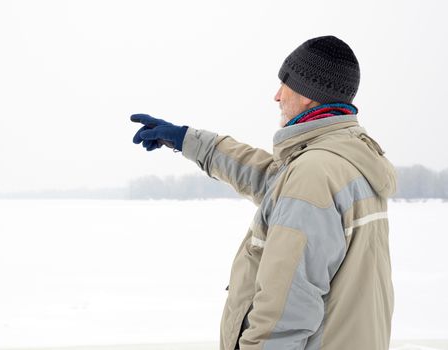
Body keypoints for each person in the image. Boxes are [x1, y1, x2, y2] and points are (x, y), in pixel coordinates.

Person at [130, 35, 397, 350]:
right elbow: (270, 179)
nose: (276, 96)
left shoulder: (312, 175)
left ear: (309, 95)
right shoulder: (345, 161)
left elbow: (284, 315)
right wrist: (189, 140)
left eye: (285, 84)